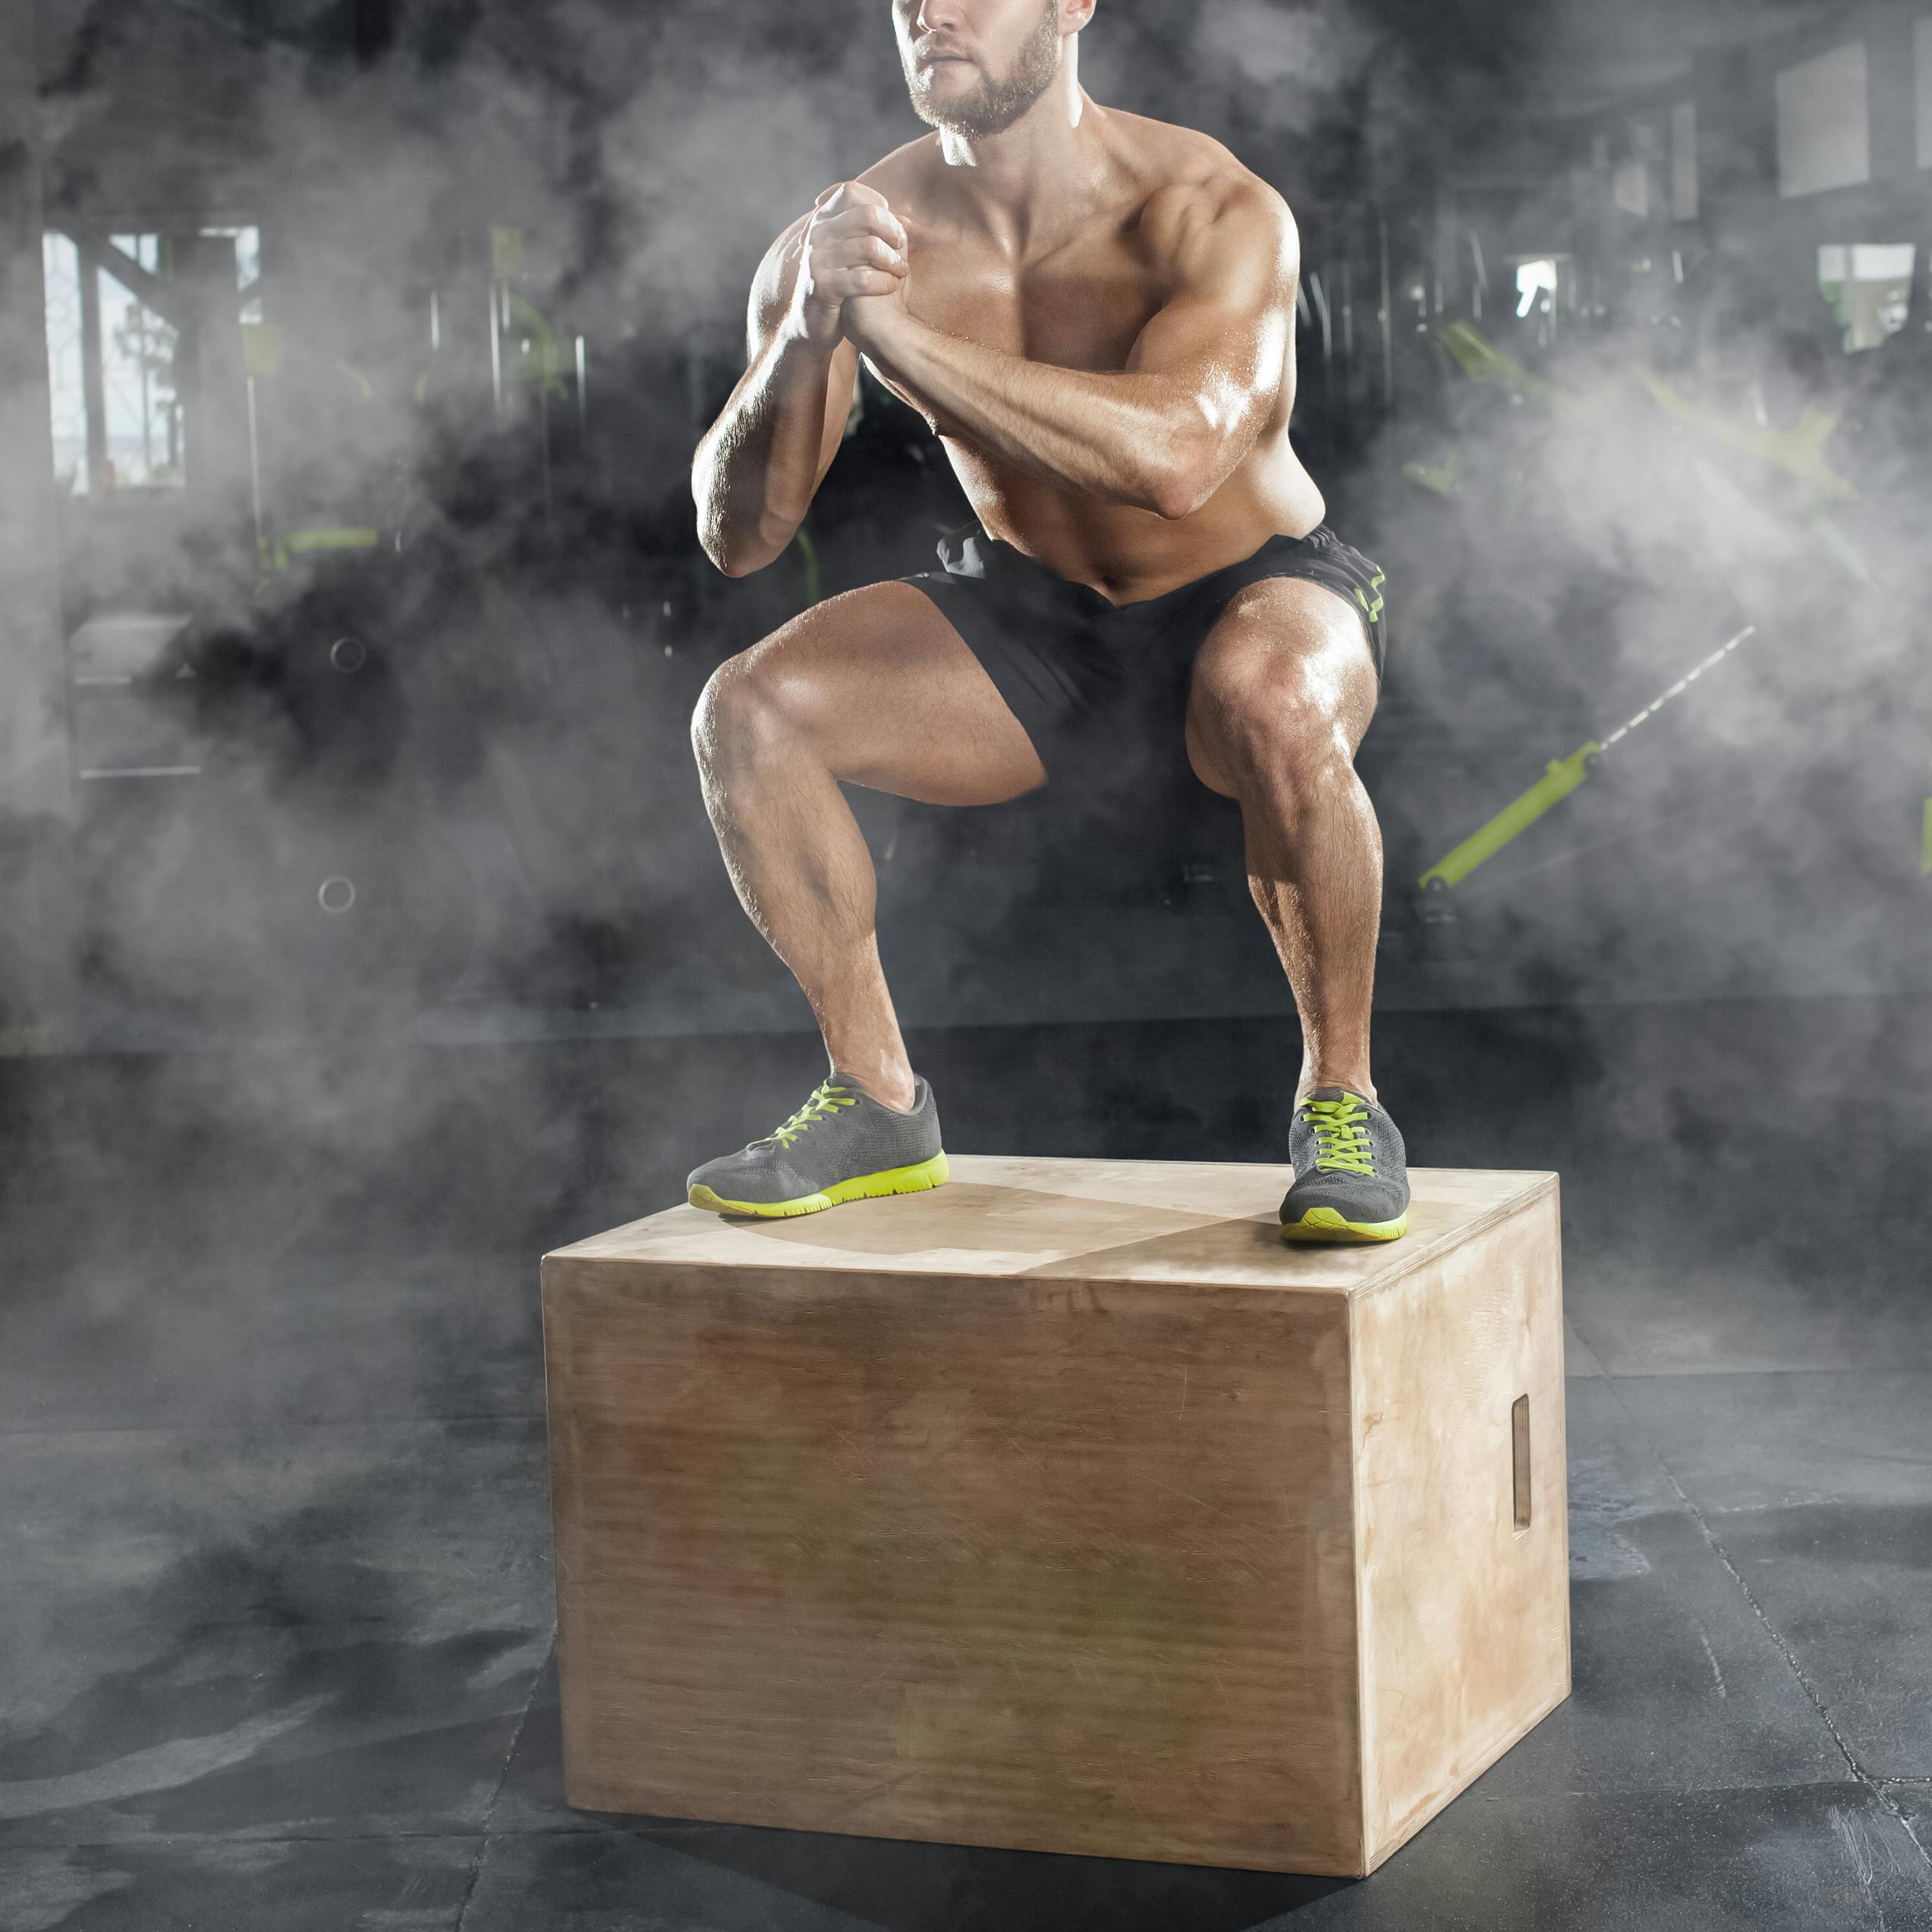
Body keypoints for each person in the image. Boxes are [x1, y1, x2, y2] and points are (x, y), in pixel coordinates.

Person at [683, 0, 1408, 1243]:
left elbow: (1176, 461)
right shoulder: (851, 237)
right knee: (746, 712)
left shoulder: (1208, 207)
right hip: (1036, 615)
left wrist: (894, 337)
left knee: (1273, 696)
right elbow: (737, 535)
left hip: (1252, 587)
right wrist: (807, 333)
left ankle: (1343, 1102)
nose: (932, 10)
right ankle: (875, 1100)